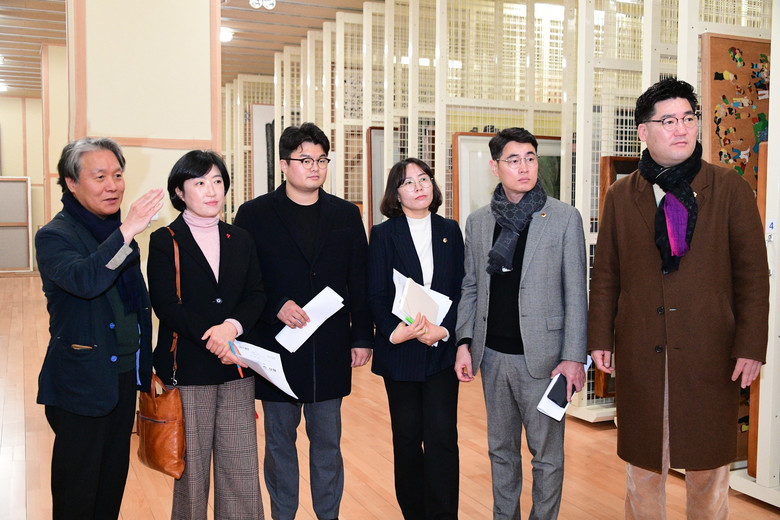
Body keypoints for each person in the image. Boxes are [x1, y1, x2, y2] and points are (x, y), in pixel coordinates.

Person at [588, 78, 769, 519]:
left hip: (710, 352)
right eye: (668, 121)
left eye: (688, 118)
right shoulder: (621, 195)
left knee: (708, 471)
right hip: (641, 350)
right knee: (643, 470)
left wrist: (750, 346)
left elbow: (752, 277)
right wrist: (600, 338)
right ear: (643, 132)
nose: (682, 128)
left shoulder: (729, 189)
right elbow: (606, 274)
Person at [234, 122, 373, 520]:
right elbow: (244, 276)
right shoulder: (254, 214)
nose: (315, 167)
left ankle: (329, 515)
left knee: (328, 443)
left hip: (329, 348)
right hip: (277, 348)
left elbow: (359, 279)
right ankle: (284, 515)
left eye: (322, 160)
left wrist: (362, 337)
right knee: (279, 444)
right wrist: (275, 305)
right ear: (284, 164)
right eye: (305, 160)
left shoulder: (346, 214)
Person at [454, 127, 588, 520]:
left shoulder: (563, 218)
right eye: (513, 160)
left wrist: (573, 357)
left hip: (545, 361)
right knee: (501, 451)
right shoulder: (479, 222)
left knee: (546, 456)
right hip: (493, 357)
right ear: (495, 167)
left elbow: (576, 292)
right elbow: (471, 286)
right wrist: (464, 342)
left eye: (530, 158)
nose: (524, 167)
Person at [35, 137, 164, 519]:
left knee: (110, 486)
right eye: (100, 176)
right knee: (77, 494)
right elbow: (86, 280)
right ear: (71, 183)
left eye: (118, 175)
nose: (113, 185)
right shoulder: (55, 235)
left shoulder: (114, 232)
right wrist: (127, 231)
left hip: (121, 376)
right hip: (81, 380)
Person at [147, 150, 266, 520]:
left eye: (217, 181)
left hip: (236, 366)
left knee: (241, 470)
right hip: (188, 369)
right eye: (199, 182)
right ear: (180, 192)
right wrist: (211, 335)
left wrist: (232, 327)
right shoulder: (165, 239)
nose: (211, 190)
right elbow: (166, 305)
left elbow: (256, 294)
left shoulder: (240, 238)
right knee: (192, 474)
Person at [368, 158, 465, 519]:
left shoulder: (450, 230)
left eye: (424, 179)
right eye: (408, 182)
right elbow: (376, 291)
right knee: (407, 439)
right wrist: (395, 331)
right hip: (402, 348)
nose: (419, 187)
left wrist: (445, 330)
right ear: (396, 194)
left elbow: (461, 288)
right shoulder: (383, 234)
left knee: (442, 438)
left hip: (441, 351)